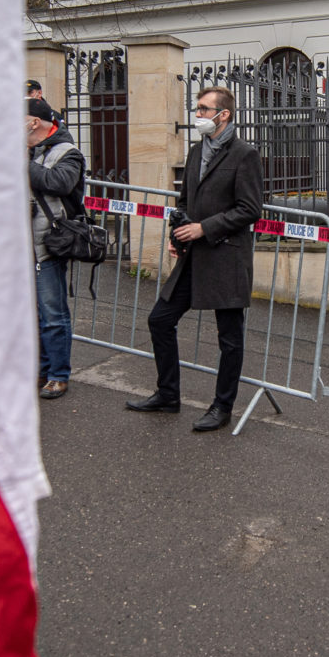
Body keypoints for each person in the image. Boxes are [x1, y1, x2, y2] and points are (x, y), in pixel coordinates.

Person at [126, 87, 263, 432]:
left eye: (204, 110)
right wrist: (179, 234)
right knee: (160, 319)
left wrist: (204, 229)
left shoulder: (244, 154)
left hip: (226, 256)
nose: (198, 115)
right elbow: (183, 202)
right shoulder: (195, 151)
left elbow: (249, 209)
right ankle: (168, 394)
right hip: (194, 257)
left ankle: (222, 406)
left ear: (224, 115)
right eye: (198, 109)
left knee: (229, 338)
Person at [28, 98, 84, 400]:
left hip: (48, 245)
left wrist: (22, 164)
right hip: (22, 246)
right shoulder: (29, 150)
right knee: (31, 314)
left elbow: (60, 183)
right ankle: (40, 368)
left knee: (52, 313)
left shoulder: (68, 152)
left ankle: (58, 375)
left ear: (34, 122)